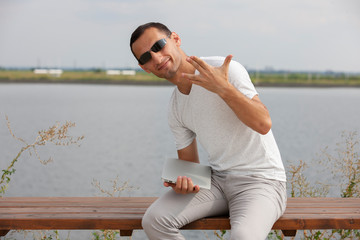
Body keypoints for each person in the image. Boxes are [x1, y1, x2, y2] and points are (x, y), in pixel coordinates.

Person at [130, 22, 287, 240]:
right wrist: (182, 182)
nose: (156, 58)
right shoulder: (175, 107)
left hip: (261, 181)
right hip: (217, 181)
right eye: (146, 58)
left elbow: (263, 124)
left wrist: (223, 88)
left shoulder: (224, 69)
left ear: (176, 39)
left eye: (159, 45)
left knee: (243, 237)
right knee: (154, 220)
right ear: (144, 67)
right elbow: (190, 168)